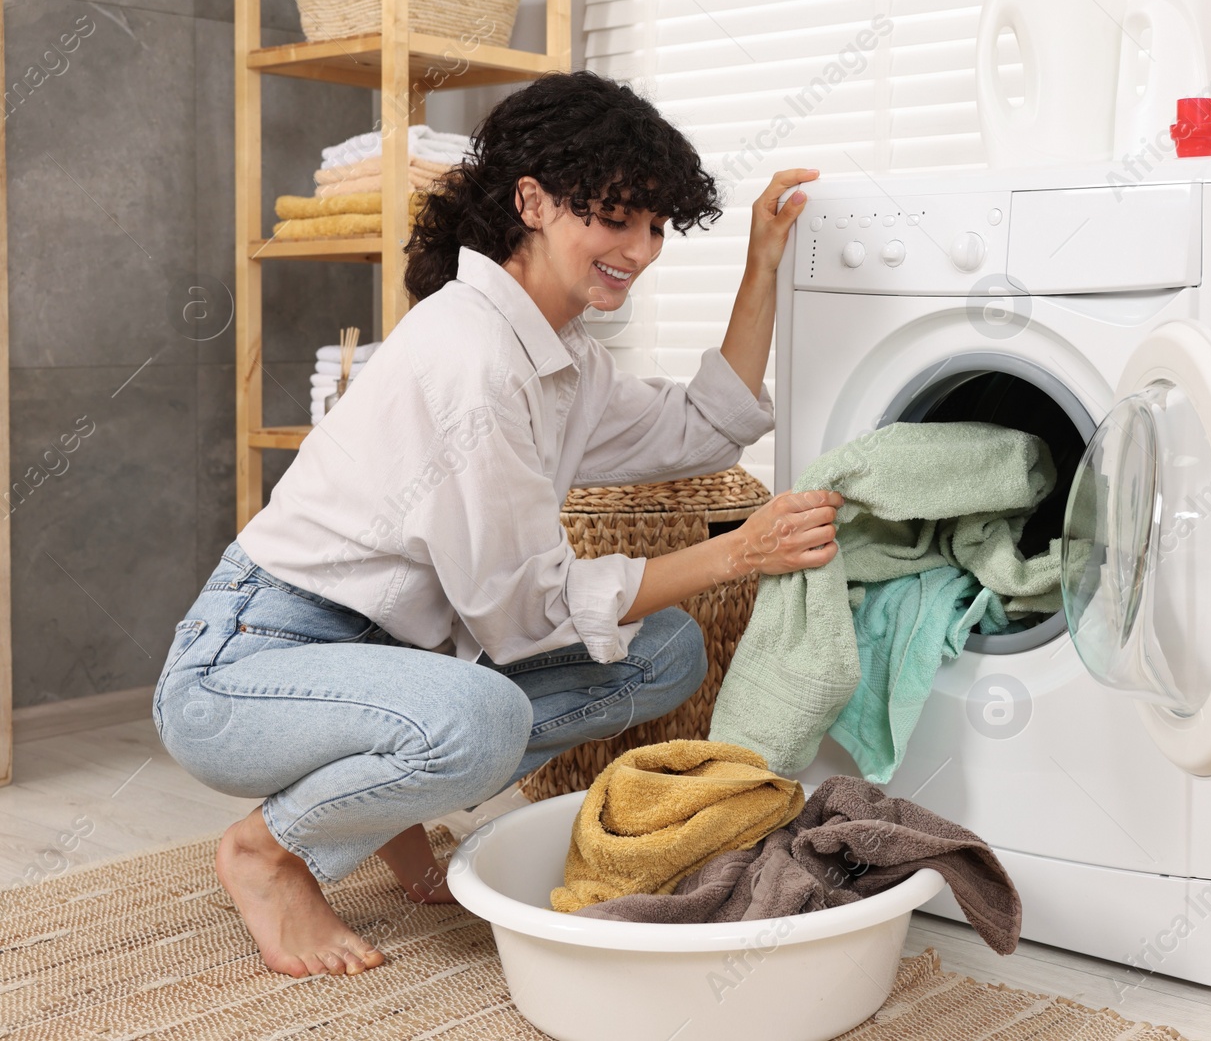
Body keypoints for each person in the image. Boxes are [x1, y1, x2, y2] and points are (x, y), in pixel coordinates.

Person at [154, 71, 842, 979]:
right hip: (246, 666)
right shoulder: (473, 356)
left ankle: (382, 802)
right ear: (533, 202)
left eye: (656, 227)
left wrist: (762, 262)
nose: (638, 250)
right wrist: (735, 552)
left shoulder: (562, 361)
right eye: (615, 218)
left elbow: (703, 426)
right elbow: (528, 611)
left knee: (664, 651)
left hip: (378, 662)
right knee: (480, 719)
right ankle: (269, 850)